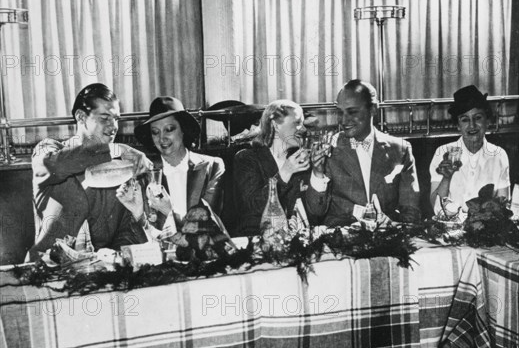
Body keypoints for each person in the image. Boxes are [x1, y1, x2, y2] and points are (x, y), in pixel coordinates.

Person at [28, 83, 152, 259]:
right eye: (105, 118)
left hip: (98, 272)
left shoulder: (120, 170)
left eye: (116, 118)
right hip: (49, 270)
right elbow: (57, 165)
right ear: (80, 116)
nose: (114, 126)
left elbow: (127, 233)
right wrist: (118, 149)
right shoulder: (48, 150)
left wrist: (111, 259)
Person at [306, 79, 421, 226]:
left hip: (386, 240)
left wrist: (393, 225)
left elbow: (412, 212)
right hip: (341, 238)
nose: (343, 120)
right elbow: (315, 211)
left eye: (352, 112)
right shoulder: (329, 149)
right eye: (340, 112)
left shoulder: (401, 150)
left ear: (373, 109)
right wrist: (317, 173)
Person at [134, 96, 225, 228]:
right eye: (155, 132)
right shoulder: (145, 173)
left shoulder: (213, 166)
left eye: (169, 129)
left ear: (183, 129)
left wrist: (170, 211)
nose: (162, 138)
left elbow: (208, 224)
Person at [233, 99, 312, 236]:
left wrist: (318, 173)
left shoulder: (299, 159)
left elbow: (310, 210)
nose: (304, 129)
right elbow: (253, 206)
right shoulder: (247, 158)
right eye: (297, 123)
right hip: (257, 238)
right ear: (275, 125)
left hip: (296, 240)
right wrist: (284, 174)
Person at [429, 85, 510, 213]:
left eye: (478, 118)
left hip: (486, 228)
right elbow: (436, 207)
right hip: (450, 228)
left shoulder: (499, 155)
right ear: (457, 126)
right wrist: (446, 177)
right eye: (465, 120)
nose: (472, 125)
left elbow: (503, 204)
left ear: (487, 121)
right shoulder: (442, 153)